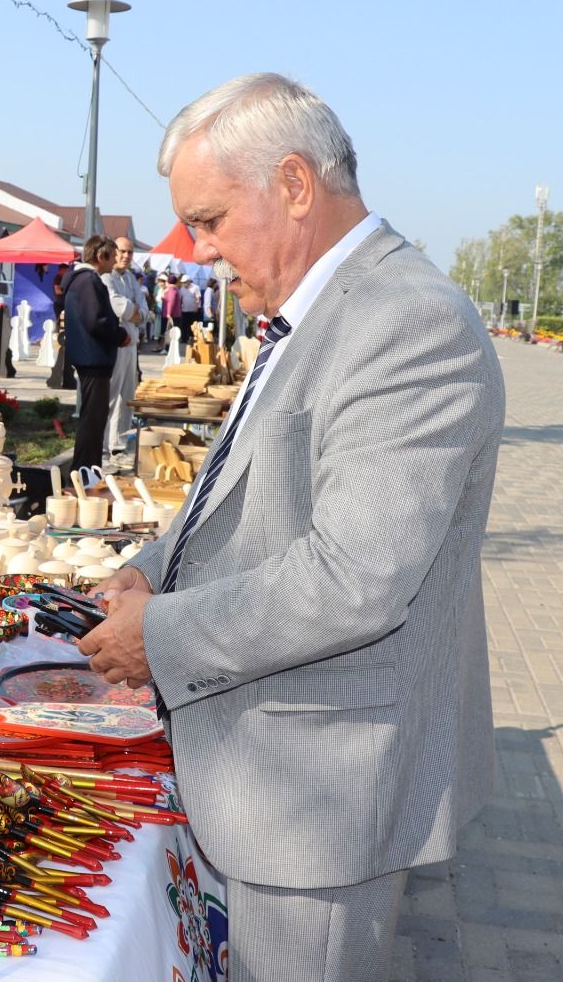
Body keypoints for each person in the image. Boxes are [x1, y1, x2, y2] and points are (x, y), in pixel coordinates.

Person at [78, 73, 503, 981]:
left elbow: (354, 574)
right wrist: (155, 567)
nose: (198, 251)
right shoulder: (314, 311)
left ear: (296, 186)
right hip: (270, 765)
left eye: (210, 220)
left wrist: (158, 637)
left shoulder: (406, 322)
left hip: (318, 800)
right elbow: (242, 493)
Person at [62, 236, 128, 473]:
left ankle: (86, 471)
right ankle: (85, 472)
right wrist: (119, 335)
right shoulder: (89, 281)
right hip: (93, 358)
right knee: (93, 419)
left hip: (90, 358)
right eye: (113, 256)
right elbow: (95, 321)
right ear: (101, 256)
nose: (115, 262)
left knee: (93, 418)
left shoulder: (81, 280)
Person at [103, 237, 147, 463]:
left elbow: (145, 309)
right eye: (122, 251)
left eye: (130, 252)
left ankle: (118, 445)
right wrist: (134, 310)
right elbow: (118, 305)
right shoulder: (106, 276)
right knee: (110, 396)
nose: (126, 256)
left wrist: (135, 311)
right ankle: (103, 447)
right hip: (116, 343)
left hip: (132, 343)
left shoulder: (130, 278)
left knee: (127, 396)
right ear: (113, 251)